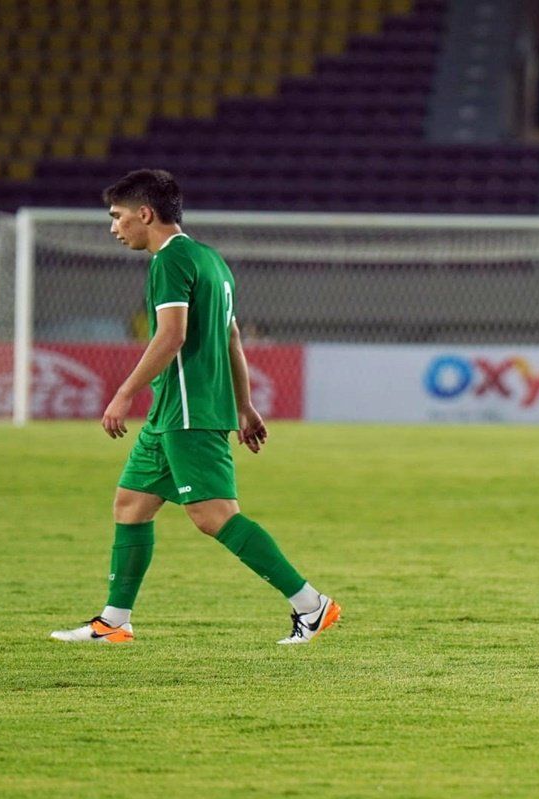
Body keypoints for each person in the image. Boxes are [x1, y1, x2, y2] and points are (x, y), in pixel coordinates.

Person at [51, 169, 340, 646]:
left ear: (144, 214)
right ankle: (115, 621)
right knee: (131, 505)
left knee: (213, 516)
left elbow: (172, 336)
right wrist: (244, 405)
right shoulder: (211, 260)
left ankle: (311, 604)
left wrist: (124, 393)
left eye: (117, 217)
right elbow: (231, 338)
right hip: (174, 411)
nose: (114, 227)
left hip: (189, 411)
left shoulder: (169, 261)